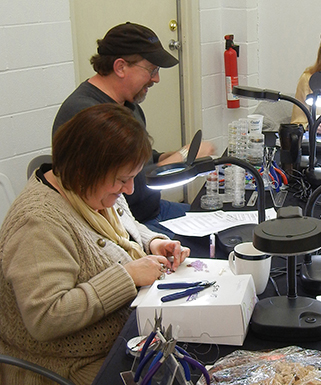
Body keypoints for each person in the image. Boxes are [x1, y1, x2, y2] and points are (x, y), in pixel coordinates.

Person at [0, 104, 190, 385]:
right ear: (84, 170)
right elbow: (45, 317)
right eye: (123, 180)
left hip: (125, 339)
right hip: (67, 366)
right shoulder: (39, 223)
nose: (129, 189)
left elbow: (126, 227)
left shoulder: (93, 189)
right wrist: (126, 276)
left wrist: (154, 243)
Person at [52, 22, 215, 237]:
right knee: (211, 249)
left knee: (221, 226)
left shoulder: (128, 105)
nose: (156, 78)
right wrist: (182, 157)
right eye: (152, 69)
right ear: (120, 67)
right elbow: (133, 186)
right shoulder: (89, 115)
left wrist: (176, 154)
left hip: (153, 211)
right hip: (125, 225)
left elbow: (139, 159)